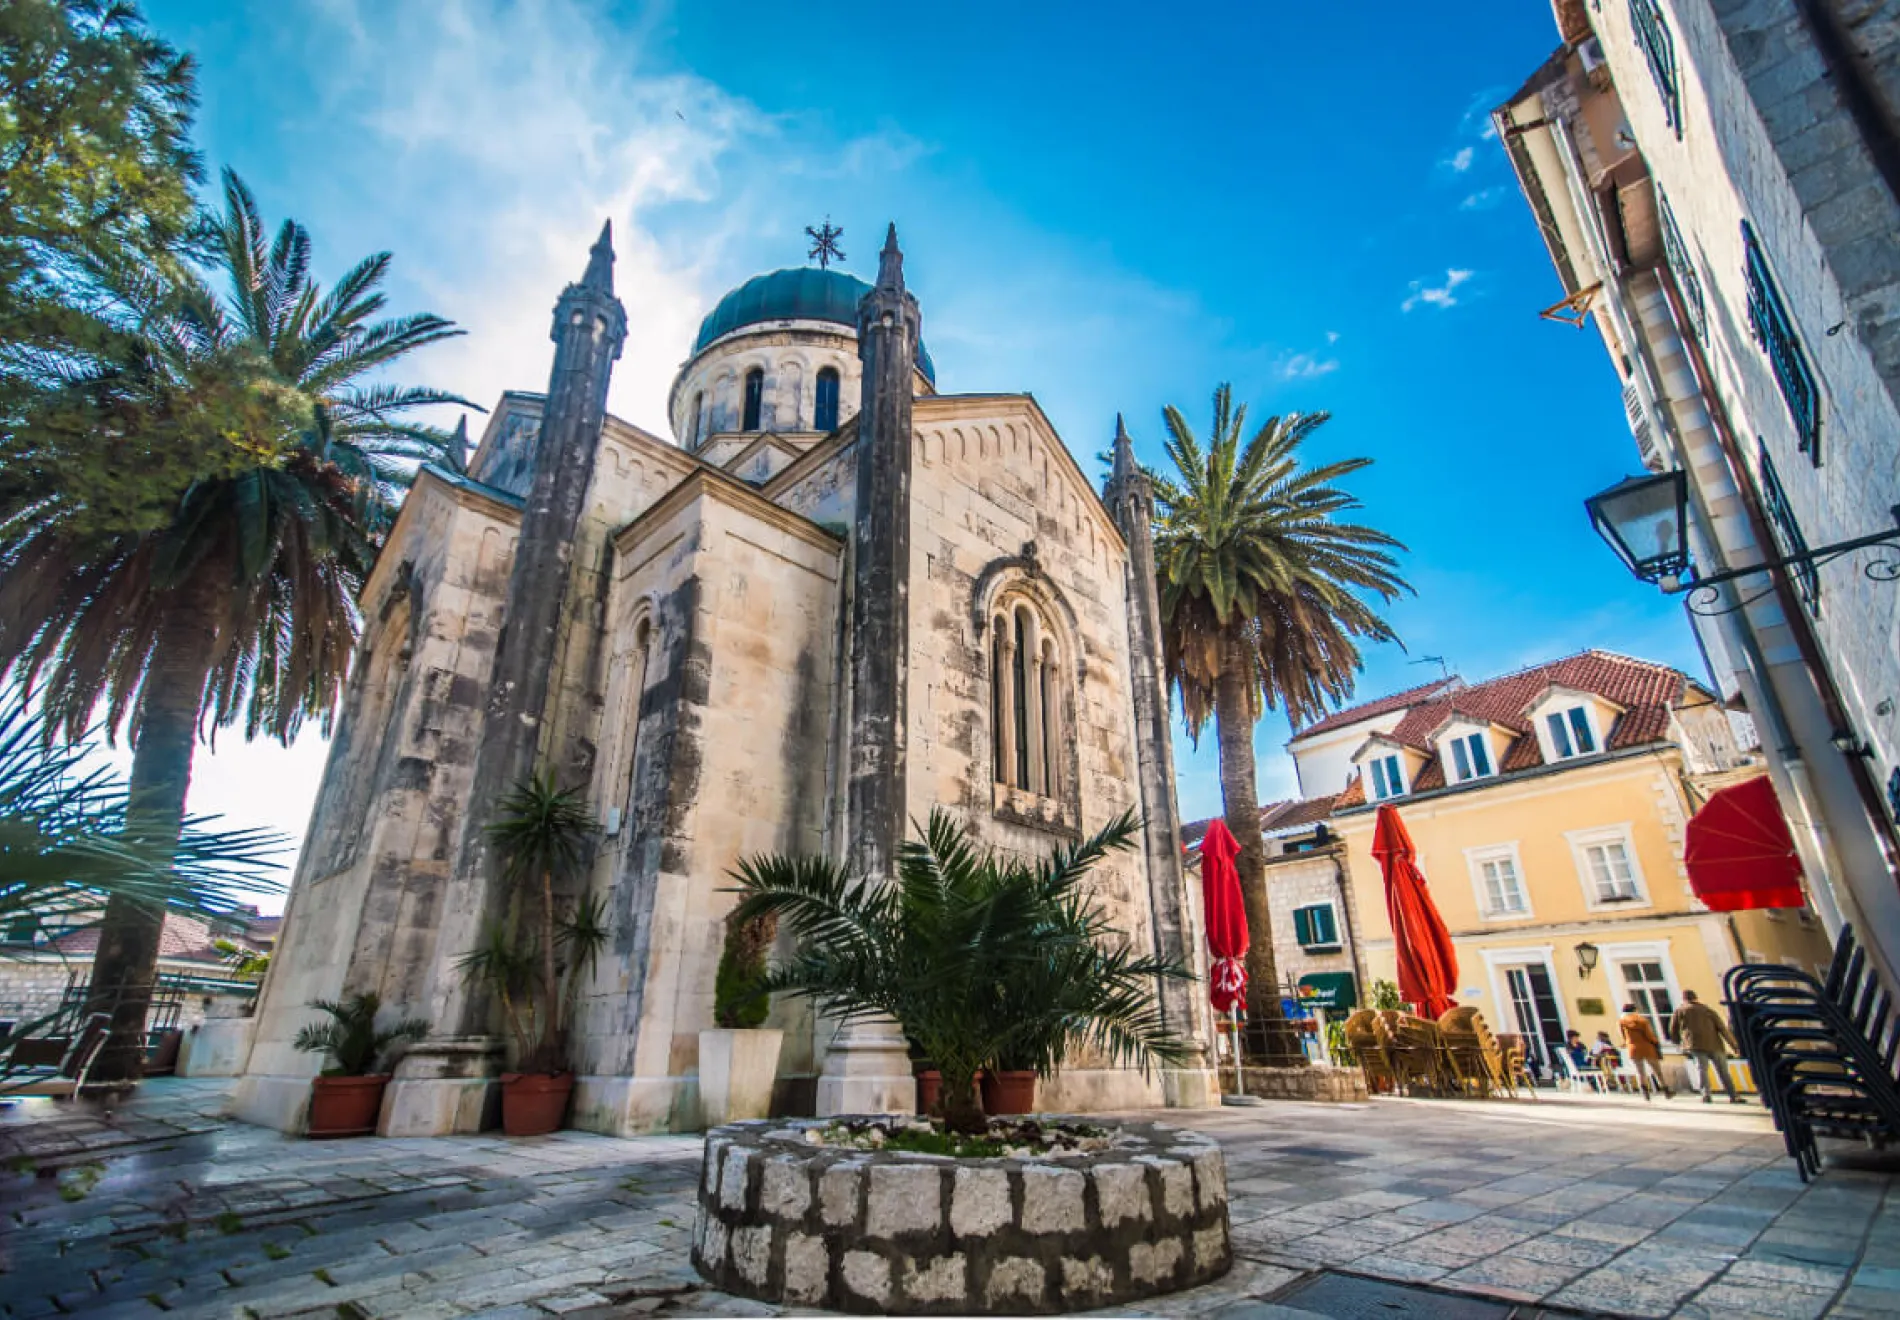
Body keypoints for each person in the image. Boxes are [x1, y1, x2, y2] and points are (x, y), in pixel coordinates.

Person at [1671, 989, 1745, 1104]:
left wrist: (1678, 1043)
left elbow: (1673, 1029)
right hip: (1715, 1045)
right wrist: (1734, 1045)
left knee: (1702, 1070)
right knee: (1723, 1071)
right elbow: (1722, 1029)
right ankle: (1733, 1095)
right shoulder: (1707, 1010)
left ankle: (1706, 1095)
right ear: (1696, 997)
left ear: (1684, 999)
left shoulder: (1680, 1011)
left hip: (1695, 1045)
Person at [1618, 1003, 1673, 1100]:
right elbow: (1649, 1035)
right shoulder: (1642, 1020)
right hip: (1647, 1047)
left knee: (1640, 1072)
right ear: (1635, 1010)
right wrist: (1656, 1041)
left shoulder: (1622, 1022)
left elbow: (1623, 1036)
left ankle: (1645, 1094)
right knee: (1657, 1070)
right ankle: (1666, 1090)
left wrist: (1627, 1043)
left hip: (1633, 1048)